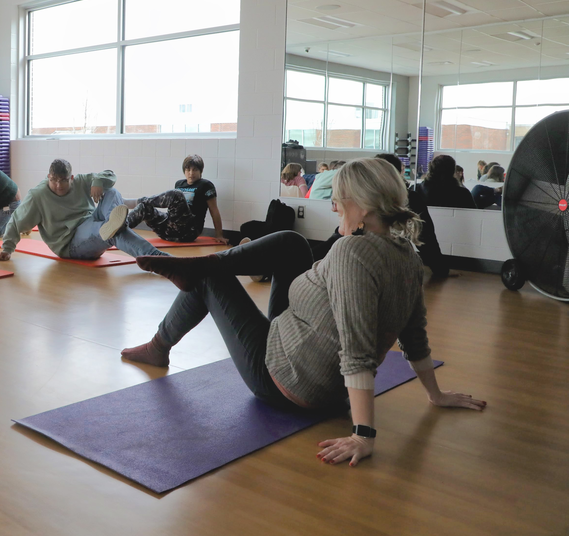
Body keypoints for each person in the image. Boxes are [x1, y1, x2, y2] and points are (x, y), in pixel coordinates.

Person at [122, 158, 486, 466]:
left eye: (338, 199)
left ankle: (163, 338)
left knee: (209, 278)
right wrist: (434, 394)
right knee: (291, 243)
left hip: (285, 377)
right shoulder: (405, 252)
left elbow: (356, 347)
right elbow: (414, 332)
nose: (332, 206)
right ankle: (201, 268)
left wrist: (364, 435)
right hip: (302, 344)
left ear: (362, 205)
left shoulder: (351, 254)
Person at [0, 159, 167, 262]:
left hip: (91, 221)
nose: (58, 185)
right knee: (111, 232)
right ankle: (159, 258)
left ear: (72, 178)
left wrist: (98, 181)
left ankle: (113, 224)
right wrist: (7, 249)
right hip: (70, 243)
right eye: (54, 180)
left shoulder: (81, 181)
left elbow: (110, 174)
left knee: (112, 191)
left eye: (63, 181)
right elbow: (17, 220)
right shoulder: (38, 195)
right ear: (48, 177)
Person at [313, 154, 450, 279]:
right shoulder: (406, 254)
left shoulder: (350, 249)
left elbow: (426, 238)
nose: (334, 208)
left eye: (338, 199)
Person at [125, 154, 226, 244]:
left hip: (189, 231)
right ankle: (117, 231)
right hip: (169, 231)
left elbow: (214, 210)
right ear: (184, 171)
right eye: (188, 170)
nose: (191, 173)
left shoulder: (206, 185)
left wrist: (219, 235)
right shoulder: (179, 184)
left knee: (176, 194)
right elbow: (173, 210)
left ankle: (135, 201)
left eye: (195, 170)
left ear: (200, 171)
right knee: (144, 207)